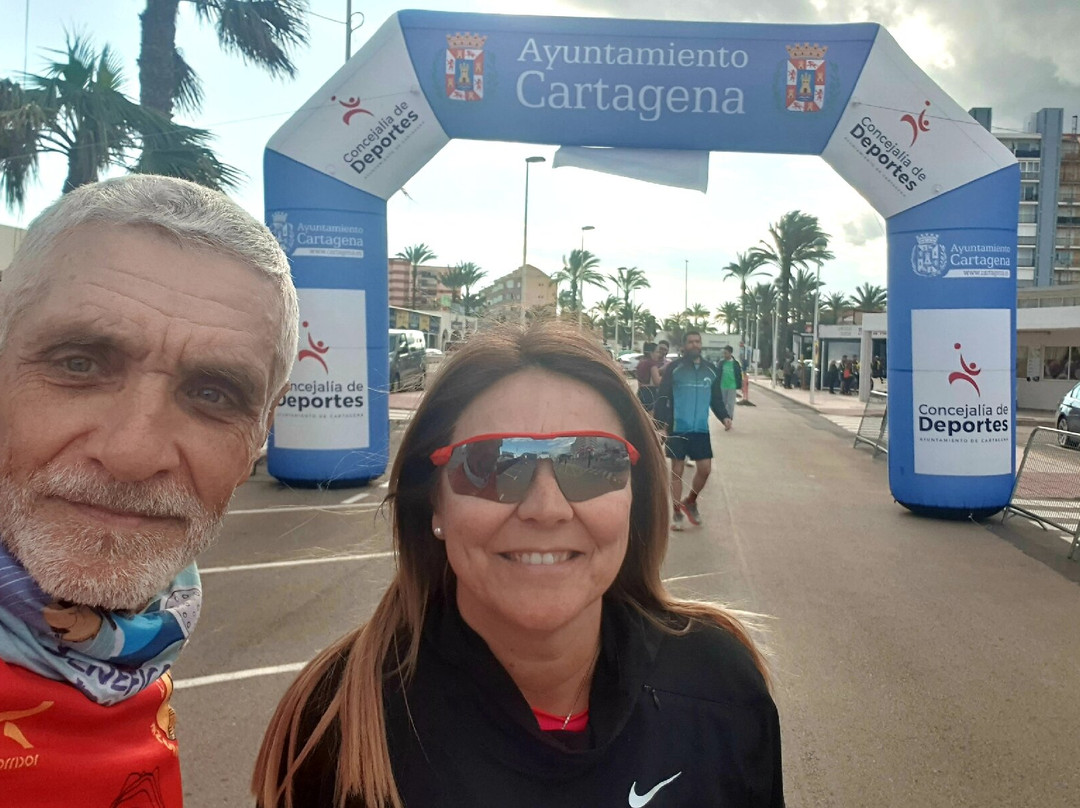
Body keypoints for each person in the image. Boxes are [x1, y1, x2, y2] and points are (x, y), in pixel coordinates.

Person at [253, 321, 783, 808]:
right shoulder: (338, 722)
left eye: (591, 462)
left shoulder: (718, 684)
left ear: (632, 498)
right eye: (493, 465)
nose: (546, 509)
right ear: (434, 502)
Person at [0, 175, 298, 806]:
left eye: (213, 393)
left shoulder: (149, 632)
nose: (134, 453)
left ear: (256, 440)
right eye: (78, 363)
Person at [653, 331, 731, 530]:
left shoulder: (711, 370)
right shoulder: (674, 369)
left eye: (697, 341)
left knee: (705, 470)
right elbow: (663, 396)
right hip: (678, 428)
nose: (694, 345)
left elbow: (715, 398)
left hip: (700, 430)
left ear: (701, 344)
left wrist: (724, 416)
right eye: (690, 342)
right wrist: (661, 426)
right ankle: (677, 512)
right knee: (677, 471)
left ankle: (691, 500)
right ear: (684, 345)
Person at [717, 344, 743, 423]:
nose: (724, 355)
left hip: (732, 386)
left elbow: (739, 375)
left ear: (730, 353)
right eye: (723, 353)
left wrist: (740, 385)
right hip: (722, 386)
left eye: (726, 353)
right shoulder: (721, 363)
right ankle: (724, 418)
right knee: (723, 403)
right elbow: (717, 374)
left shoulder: (735, 364)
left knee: (731, 404)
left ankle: (729, 418)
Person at [634, 341, 660, 412]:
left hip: (641, 392)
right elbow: (657, 381)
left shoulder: (641, 362)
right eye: (657, 352)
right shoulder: (652, 364)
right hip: (650, 393)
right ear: (651, 353)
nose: (659, 354)